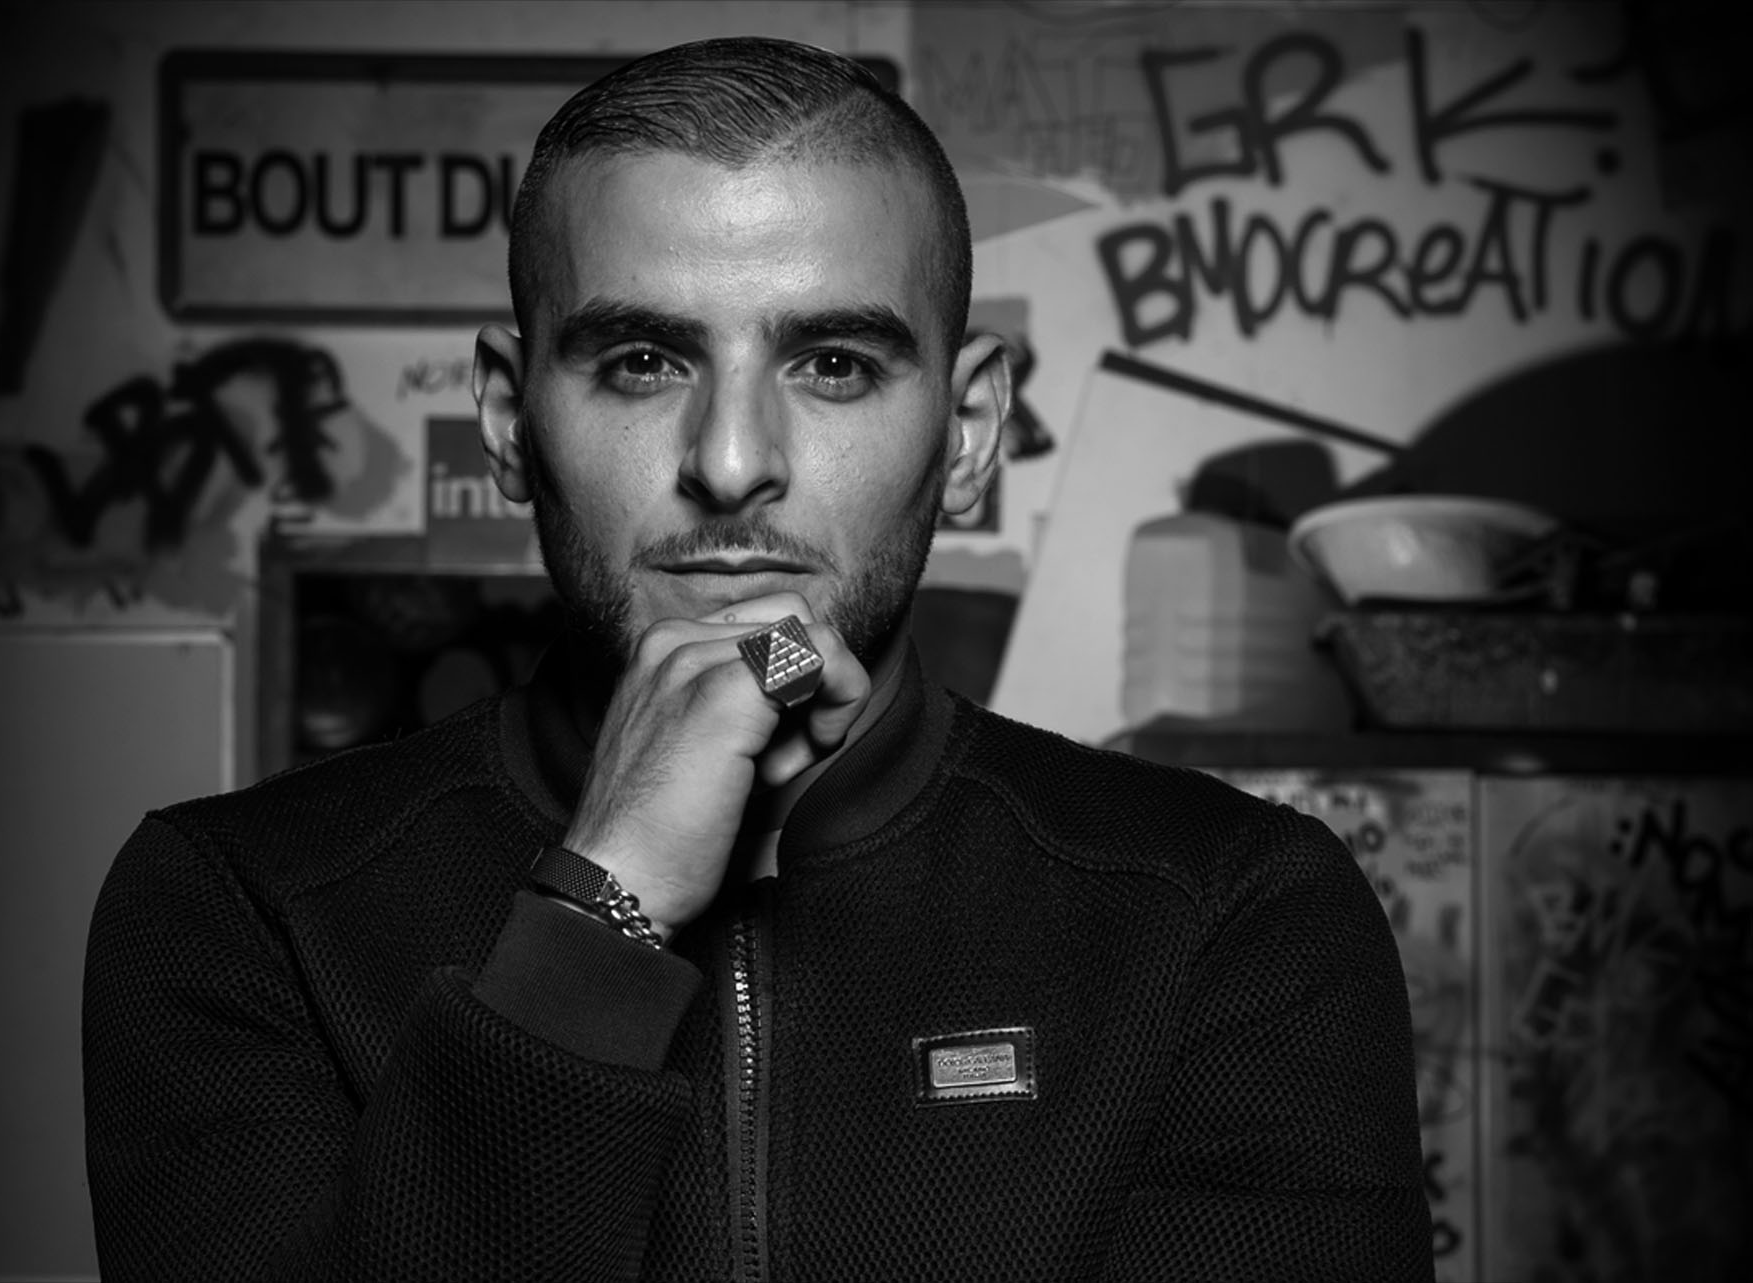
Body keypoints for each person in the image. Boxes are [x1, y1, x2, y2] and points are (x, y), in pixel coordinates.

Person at [82, 36, 1432, 1281]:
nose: (732, 464)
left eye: (833, 363)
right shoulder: (242, 909)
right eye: (640, 360)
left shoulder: (1231, 915)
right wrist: (596, 914)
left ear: (967, 436)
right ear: (508, 422)